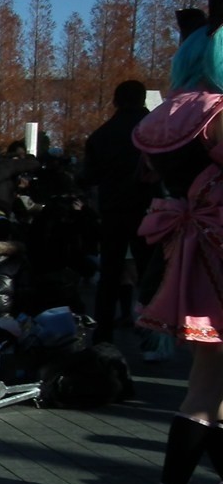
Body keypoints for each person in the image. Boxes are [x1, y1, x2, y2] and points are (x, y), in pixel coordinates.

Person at [135, 0, 223, 484]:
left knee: (207, 385)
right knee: (207, 390)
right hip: (216, 249)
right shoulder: (218, 113)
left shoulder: (173, 113)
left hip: (193, 254)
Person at [83, 80, 154, 343]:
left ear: (115, 100)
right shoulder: (156, 130)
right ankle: (155, 334)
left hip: (112, 210)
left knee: (110, 275)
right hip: (150, 209)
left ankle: (103, 334)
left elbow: (89, 176)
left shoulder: (101, 135)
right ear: (143, 99)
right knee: (150, 274)